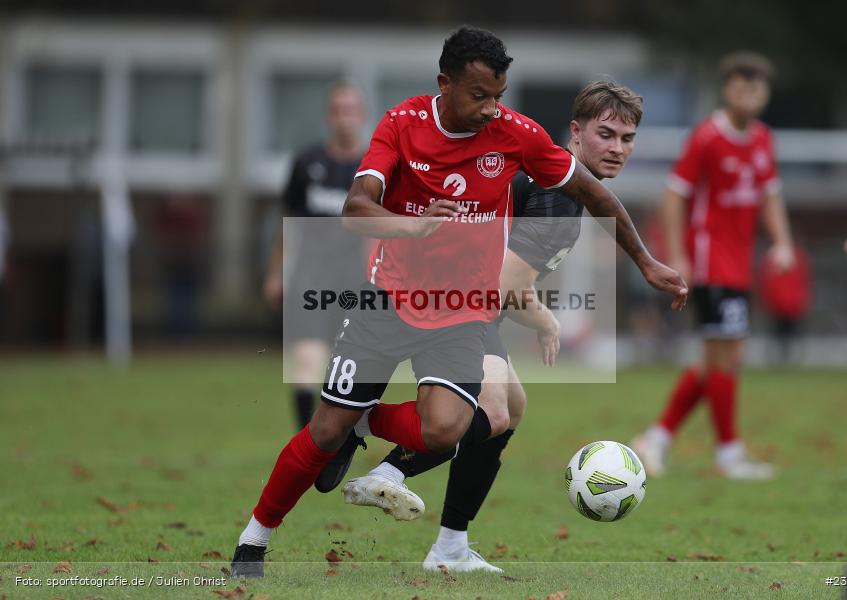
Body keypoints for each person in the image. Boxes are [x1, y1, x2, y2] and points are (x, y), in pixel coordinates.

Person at [231, 26, 687, 579]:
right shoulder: (402, 124)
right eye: (479, 96)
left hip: (462, 311)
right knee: (326, 429)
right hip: (390, 298)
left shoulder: (516, 135)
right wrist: (411, 225)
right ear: (444, 84)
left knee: (452, 426)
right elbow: (356, 208)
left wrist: (645, 261)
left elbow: (593, 192)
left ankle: (390, 463)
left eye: (498, 96)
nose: (491, 109)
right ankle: (254, 540)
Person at [339, 81, 648, 573]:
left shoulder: (554, 184)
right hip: (452, 306)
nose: (616, 148)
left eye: (626, 139)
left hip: (456, 300)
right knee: (494, 414)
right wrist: (545, 317)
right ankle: (380, 453)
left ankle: (450, 547)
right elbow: (498, 287)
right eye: (605, 134)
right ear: (576, 132)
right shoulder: (558, 199)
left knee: (512, 409)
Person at [632, 51, 795, 480]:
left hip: (738, 264)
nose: (749, 95)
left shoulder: (763, 139)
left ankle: (656, 438)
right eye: (741, 87)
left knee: (714, 359)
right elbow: (673, 194)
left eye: (756, 88)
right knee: (727, 355)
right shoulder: (707, 137)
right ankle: (728, 453)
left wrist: (782, 243)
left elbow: (771, 195)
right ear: (727, 91)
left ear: (766, 93)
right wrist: (681, 255)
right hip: (710, 263)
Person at [263, 82, 367, 430]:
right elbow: (288, 224)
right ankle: (305, 441)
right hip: (311, 276)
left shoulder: (372, 169)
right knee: (307, 358)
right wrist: (276, 273)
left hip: (355, 279)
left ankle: (338, 438)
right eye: (338, 110)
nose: (344, 119)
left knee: (349, 365)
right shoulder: (307, 163)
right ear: (328, 116)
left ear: (361, 116)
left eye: (350, 110)